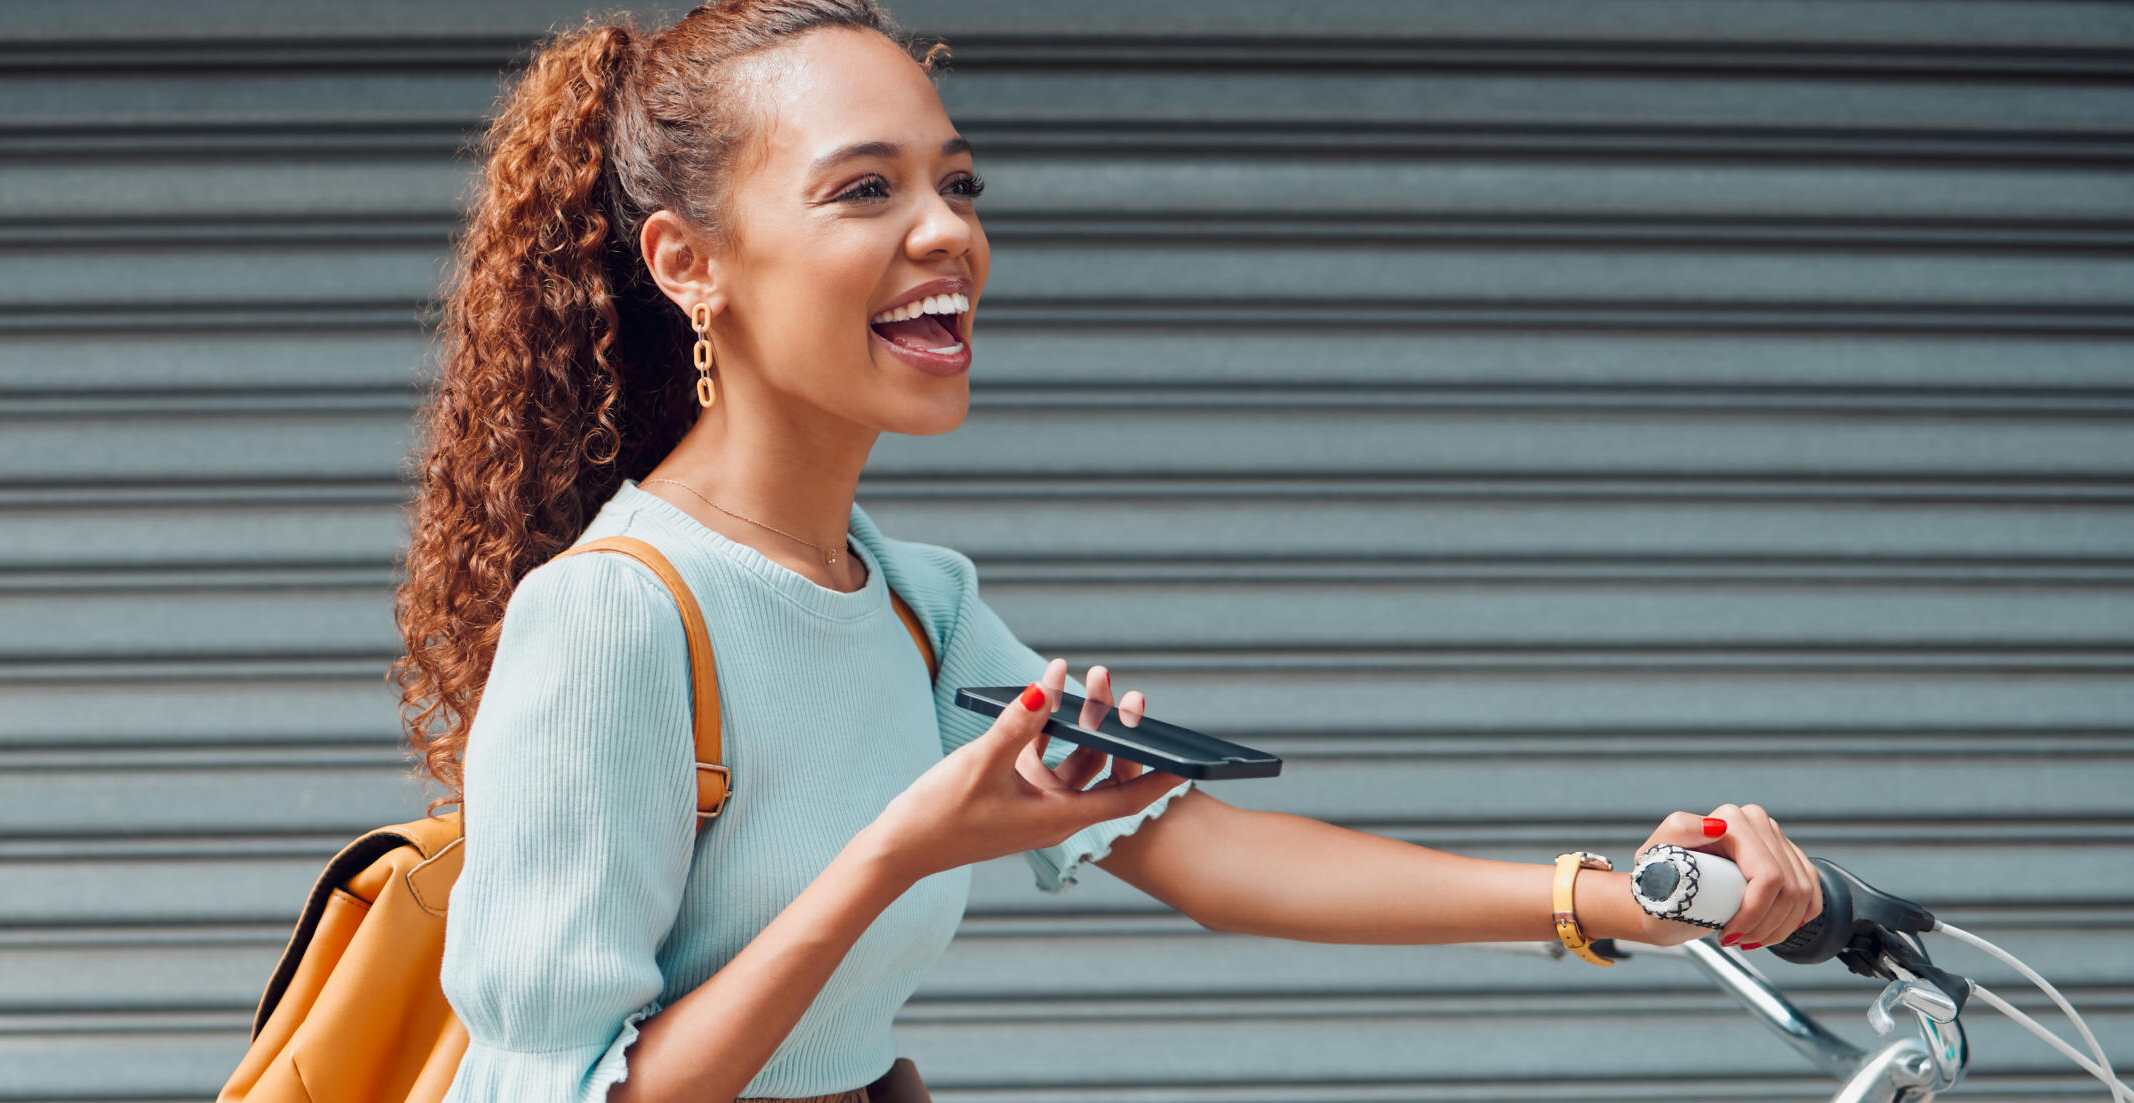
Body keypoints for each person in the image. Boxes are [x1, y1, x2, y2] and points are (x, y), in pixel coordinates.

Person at [388, 3, 1824, 1100]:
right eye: (864, 191)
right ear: (688, 266)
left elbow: (1205, 851)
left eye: (958, 184)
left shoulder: (911, 603)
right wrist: (897, 851)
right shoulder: (612, 620)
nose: (948, 232)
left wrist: (1622, 904)